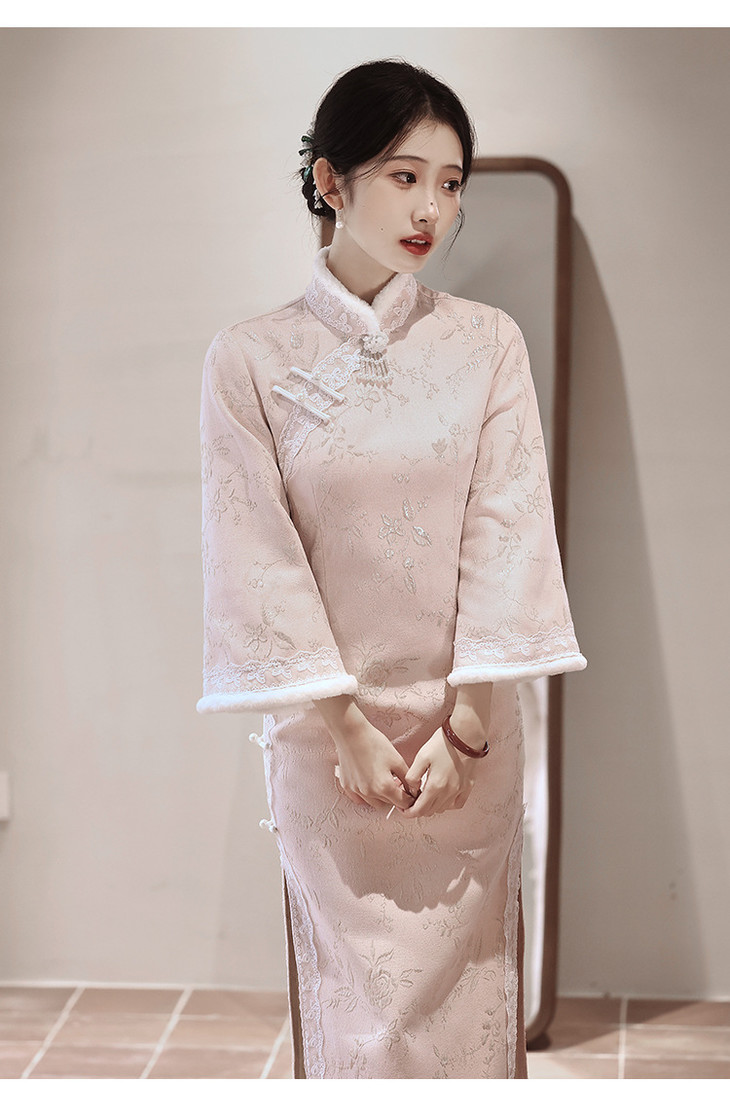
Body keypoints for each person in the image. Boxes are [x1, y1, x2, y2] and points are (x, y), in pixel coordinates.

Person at [196, 58, 586, 1079]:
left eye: (450, 183)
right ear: (331, 181)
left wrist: (466, 723)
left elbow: (507, 529)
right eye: (404, 176)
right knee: (362, 1025)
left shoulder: (487, 344)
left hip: (470, 736)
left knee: (468, 1007)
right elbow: (258, 555)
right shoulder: (249, 360)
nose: (430, 209)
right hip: (333, 750)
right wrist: (344, 726)